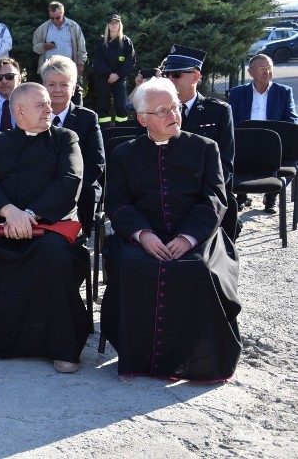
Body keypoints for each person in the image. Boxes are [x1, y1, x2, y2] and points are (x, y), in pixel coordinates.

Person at [101, 77, 242, 381]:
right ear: (142, 119)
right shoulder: (124, 153)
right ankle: (138, 359)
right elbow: (118, 203)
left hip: (197, 234)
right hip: (143, 235)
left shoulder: (205, 148)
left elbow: (215, 199)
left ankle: (198, 360)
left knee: (199, 268)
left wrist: (188, 237)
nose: (173, 116)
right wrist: (143, 234)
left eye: (175, 108)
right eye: (163, 110)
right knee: (131, 264)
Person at [0, 82, 90, 373]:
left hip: (51, 223)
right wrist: (9, 212)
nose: (49, 109)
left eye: (49, 104)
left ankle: (60, 346)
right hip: (3, 221)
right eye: (41, 105)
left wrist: (29, 215)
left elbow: (69, 182)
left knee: (54, 254)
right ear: (19, 111)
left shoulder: (66, 138)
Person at [161, 45, 238, 234]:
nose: (170, 79)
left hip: (204, 194)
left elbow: (225, 164)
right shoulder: (154, 111)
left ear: (195, 76)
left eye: (176, 74)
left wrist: (200, 194)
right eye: (166, 74)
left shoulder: (218, 111)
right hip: (162, 193)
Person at [43, 55, 105, 238]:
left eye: (64, 84)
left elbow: (96, 164)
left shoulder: (87, 119)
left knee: (86, 191)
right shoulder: (33, 114)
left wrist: (65, 187)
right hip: (40, 185)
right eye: (51, 84)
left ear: (74, 88)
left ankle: (77, 243)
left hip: (78, 187)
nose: (57, 90)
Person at [228, 53, 298, 213]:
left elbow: (291, 120)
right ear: (250, 72)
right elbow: (230, 119)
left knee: (284, 158)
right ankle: (241, 196)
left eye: (269, 69)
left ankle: (271, 198)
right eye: (262, 69)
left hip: (273, 143)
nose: (267, 72)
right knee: (234, 150)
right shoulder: (237, 93)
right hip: (245, 141)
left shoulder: (284, 92)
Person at [92, 14, 136, 123]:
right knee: (103, 106)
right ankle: (105, 131)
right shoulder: (102, 42)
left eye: (116, 23)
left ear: (120, 25)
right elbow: (98, 61)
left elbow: (130, 61)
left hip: (120, 79)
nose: (114, 25)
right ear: (108, 25)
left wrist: (118, 75)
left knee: (121, 105)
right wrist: (109, 74)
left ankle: (122, 130)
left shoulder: (126, 42)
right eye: (111, 23)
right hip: (104, 79)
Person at [31, 1, 87, 76]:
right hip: (49, 68)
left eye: (57, 18)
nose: (55, 20)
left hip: (68, 67)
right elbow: (35, 47)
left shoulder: (73, 26)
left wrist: (81, 64)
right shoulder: (42, 28)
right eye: (52, 18)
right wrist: (44, 46)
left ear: (62, 13)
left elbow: (81, 47)